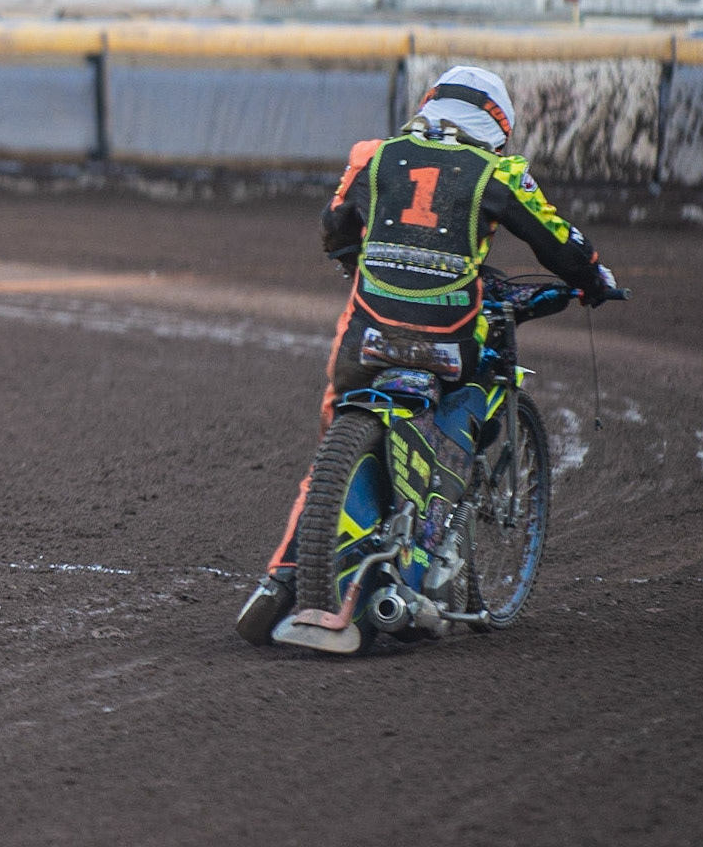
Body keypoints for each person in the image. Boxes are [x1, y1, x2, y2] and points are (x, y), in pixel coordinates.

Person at [235, 65, 619, 645]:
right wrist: (594, 280)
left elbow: (334, 227)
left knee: (332, 437)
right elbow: (560, 244)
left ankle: (286, 573)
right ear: (497, 126)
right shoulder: (498, 172)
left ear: (429, 106)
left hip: (366, 337)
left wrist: (357, 260)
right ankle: (423, 562)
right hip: (449, 341)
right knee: (468, 399)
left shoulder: (376, 154)